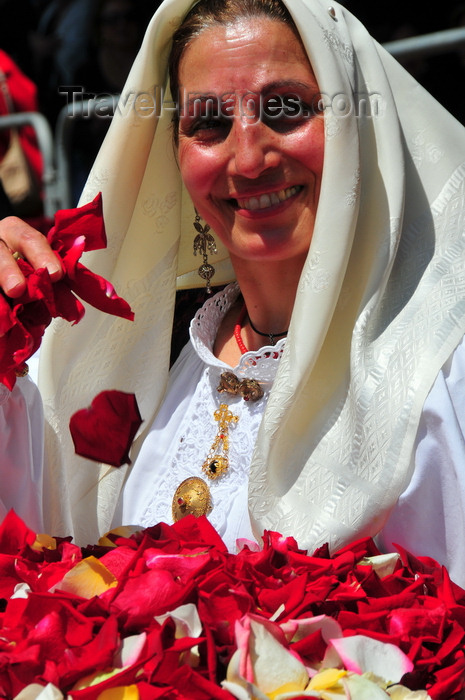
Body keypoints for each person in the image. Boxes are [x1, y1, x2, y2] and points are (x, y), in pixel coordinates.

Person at [1, 0, 465, 586]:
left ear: (357, 129)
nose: (248, 159)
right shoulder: (141, 353)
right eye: (209, 124)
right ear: (175, 154)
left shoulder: (439, 374)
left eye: (286, 110)